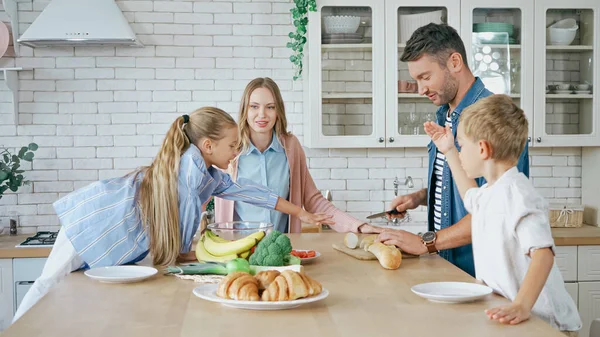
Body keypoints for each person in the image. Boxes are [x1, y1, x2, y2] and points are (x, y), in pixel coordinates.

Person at [13, 107, 333, 323]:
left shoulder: (207, 171)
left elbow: (251, 192)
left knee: (69, 297)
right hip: (93, 222)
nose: (238, 152)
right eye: (233, 146)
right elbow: (178, 245)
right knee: (47, 285)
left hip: (114, 238)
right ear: (208, 145)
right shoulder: (189, 173)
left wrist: (301, 211)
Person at [376, 23, 529, 277]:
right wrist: (422, 197)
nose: (421, 89)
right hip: (447, 266)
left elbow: (496, 211)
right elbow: (468, 187)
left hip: (481, 273)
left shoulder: (493, 119)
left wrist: (425, 242)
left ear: (455, 62)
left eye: (425, 77)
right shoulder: (445, 115)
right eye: (416, 80)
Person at [423, 94, 581, 334]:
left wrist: (521, 305)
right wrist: (449, 151)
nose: (460, 151)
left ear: (483, 149)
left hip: (546, 323)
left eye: (462, 145)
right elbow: (469, 196)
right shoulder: (491, 192)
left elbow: (543, 255)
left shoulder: (518, 194)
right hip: (517, 316)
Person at [214, 77, 382, 234]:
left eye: (270, 107)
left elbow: (314, 200)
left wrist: (358, 226)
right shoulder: (231, 150)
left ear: (278, 111)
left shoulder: (290, 147)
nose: (262, 114)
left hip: (281, 249)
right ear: (245, 109)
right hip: (237, 251)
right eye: (254, 106)